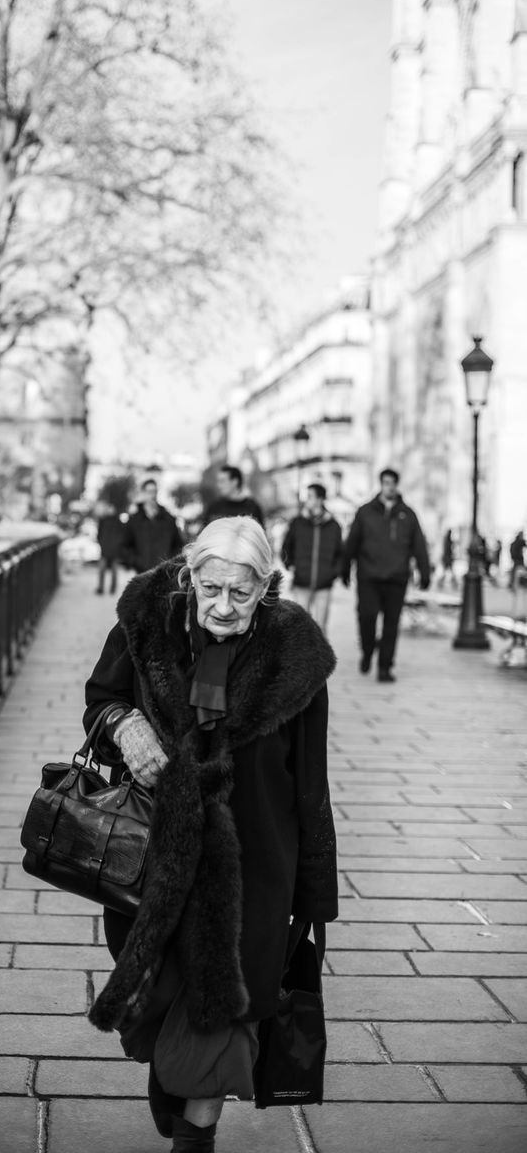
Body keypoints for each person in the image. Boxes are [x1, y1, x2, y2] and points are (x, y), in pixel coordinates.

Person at [83, 516, 338, 1152]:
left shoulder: (295, 653)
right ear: (189, 577)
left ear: (266, 585)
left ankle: (196, 1138)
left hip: (254, 865)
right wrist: (127, 727)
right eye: (212, 589)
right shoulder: (146, 624)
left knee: (227, 1002)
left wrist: (311, 899)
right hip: (153, 855)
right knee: (159, 992)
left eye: (242, 593)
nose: (225, 607)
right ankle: (173, 1078)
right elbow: (99, 699)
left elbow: (311, 782)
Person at [342, 468, 431, 683]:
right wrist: (344, 568)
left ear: (396, 485)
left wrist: (424, 572)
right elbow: (352, 542)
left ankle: (385, 667)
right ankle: (368, 649)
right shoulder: (365, 512)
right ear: (380, 484)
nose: (389, 487)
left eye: (392, 483)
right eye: (385, 483)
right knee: (367, 617)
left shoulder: (408, 514)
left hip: (396, 578)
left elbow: (419, 545)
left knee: (391, 625)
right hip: (368, 576)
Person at [280, 482, 344, 632]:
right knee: (301, 627)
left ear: (320, 499)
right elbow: (285, 547)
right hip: (301, 583)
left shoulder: (333, 525)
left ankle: (319, 656)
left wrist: (333, 572)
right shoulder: (297, 523)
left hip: (324, 585)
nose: (306, 500)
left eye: (310, 496)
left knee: (321, 629)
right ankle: (301, 656)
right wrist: (289, 564)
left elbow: (340, 553)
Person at [120, 478, 184, 572]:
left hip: (164, 574)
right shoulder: (134, 520)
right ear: (143, 493)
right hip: (142, 574)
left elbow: (178, 544)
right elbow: (125, 546)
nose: (152, 495)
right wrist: (136, 562)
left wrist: (170, 563)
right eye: (149, 491)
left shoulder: (168, 519)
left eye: (154, 491)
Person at [95, 501, 124, 595]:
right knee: (102, 570)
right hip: (106, 549)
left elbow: (122, 535)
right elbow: (99, 534)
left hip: (114, 550)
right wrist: (102, 544)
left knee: (113, 571)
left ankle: (111, 588)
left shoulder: (117, 521)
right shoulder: (103, 520)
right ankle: (102, 588)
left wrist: (118, 544)